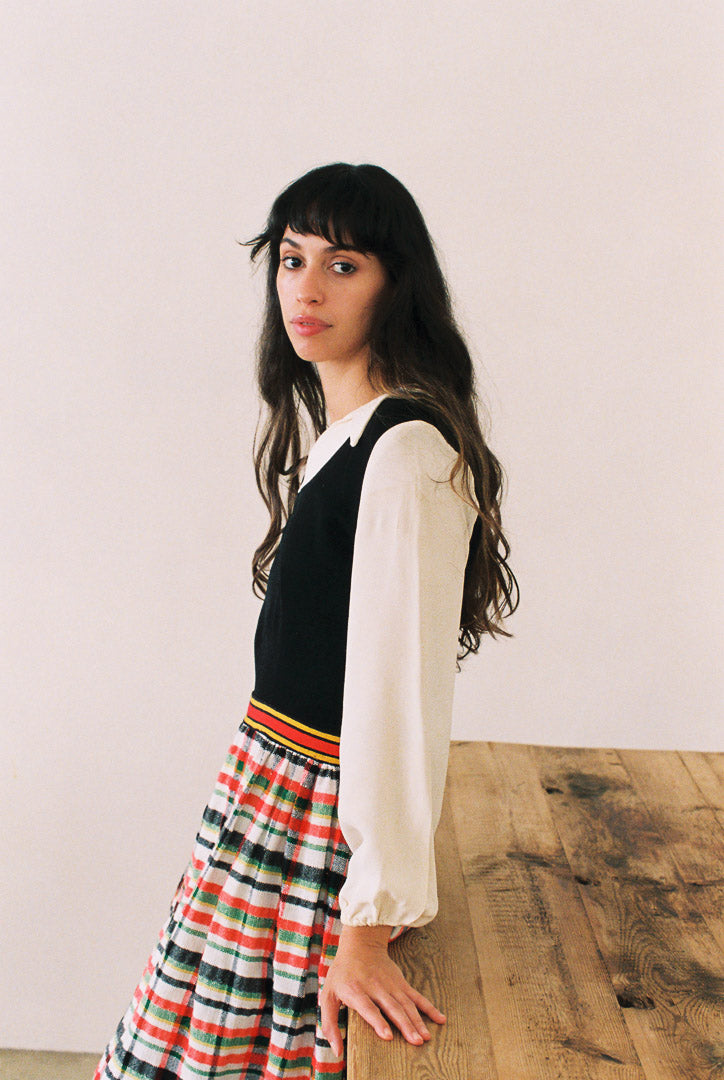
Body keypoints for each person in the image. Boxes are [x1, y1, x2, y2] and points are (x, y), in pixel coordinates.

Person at [94, 162, 518, 1080]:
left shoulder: (405, 453)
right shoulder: (351, 437)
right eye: (292, 260)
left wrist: (363, 931)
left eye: (344, 264)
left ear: (396, 285)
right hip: (266, 791)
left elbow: (401, 699)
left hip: (313, 815)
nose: (307, 289)